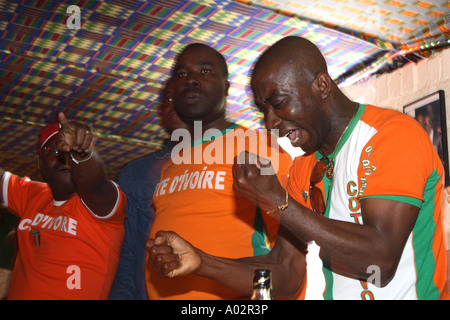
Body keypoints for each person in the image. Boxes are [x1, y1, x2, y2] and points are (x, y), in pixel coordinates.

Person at [147, 36, 450, 300]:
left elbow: (380, 260)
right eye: (263, 110)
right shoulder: (303, 169)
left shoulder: (392, 135)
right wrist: (202, 262)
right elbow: (287, 271)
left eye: (278, 102)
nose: (271, 122)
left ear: (321, 85)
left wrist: (278, 204)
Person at [145, 43, 303, 300]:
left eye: (205, 71)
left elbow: (289, 267)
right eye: (182, 74)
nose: (191, 80)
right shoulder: (171, 164)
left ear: (226, 87)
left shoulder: (259, 146)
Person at [0, 113, 126, 299]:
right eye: (55, 149)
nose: (65, 157)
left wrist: (81, 154)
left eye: (72, 151)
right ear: (40, 162)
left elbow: (96, 184)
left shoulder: (101, 207)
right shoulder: (30, 195)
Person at [108, 79, 186, 300]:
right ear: (161, 112)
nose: (174, 104)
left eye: (180, 96)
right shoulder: (136, 174)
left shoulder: (229, 163)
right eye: (168, 99)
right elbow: (125, 254)